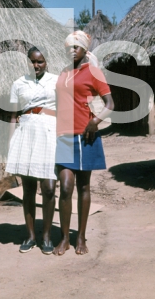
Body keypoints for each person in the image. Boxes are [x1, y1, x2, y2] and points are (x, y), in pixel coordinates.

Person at [54, 31, 114, 256]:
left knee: (84, 187)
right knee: (66, 187)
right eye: (68, 47)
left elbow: (110, 103)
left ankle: (80, 237)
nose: (72, 51)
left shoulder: (93, 72)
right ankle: (64, 238)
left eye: (76, 47)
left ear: (84, 50)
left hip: (85, 135)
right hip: (63, 135)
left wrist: (95, 121)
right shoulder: (62, 73)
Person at [6, 47, 59, 254]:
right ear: (27, 62)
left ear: (47, 62)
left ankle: (46, 236)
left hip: (50, 132)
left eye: (40, 62)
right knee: (28, 189)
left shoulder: (56, 80)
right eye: (33, 62)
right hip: (26, 133)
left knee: (48, 188)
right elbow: (13, 116)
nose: (36, 66)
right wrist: (11, 143)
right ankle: (30, 235)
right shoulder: (18, 84)